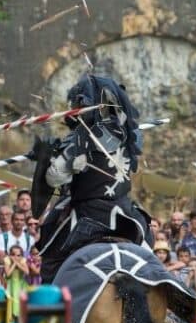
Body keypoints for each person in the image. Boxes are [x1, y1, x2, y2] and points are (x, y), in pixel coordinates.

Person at [30, 74, 148, 284]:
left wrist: (45, 156)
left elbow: (54, 179)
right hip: (124, 213)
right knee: (149, 247)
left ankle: (53, 306)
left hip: (87, 215)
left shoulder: (79, 138)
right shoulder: (129, 134)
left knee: (50, 260)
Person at [3, 244, 29, 315]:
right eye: (13, 254)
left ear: (21, 256)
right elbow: (8, 274)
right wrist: (14, 264)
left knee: (19, 302)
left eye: (18, 255)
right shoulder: (7, 260)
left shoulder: (23, 260)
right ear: (9, 255)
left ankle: (19, 319)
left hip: (20, 284)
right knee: (10, 302)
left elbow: (27, 272)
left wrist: (19, 265)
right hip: (10, 284)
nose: (15, 257)